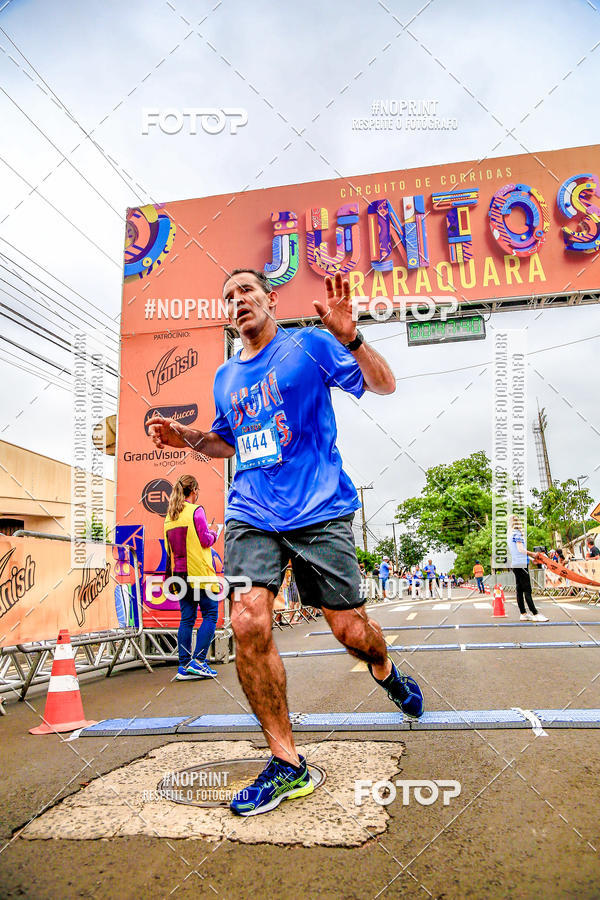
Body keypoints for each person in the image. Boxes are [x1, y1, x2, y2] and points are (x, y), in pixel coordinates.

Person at [147, 269, 424, 817]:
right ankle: (286, 762)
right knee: (247, 621)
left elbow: (385, 385)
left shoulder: (310, 344)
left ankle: (386, 669)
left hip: (320, 510)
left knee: (351, 632)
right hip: (253, 512)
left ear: (269, 298)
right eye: (228, 296)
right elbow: (226, 442)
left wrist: (353, 338)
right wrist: (189, 437)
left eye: (246, 290)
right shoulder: (225, 377)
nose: (237, 301)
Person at [163, 474, 220, 680]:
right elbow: (205, 540)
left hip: (179, 575)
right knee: (210, 615)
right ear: (194, 490)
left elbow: (169, 550)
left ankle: (184, 666)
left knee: (187, 619)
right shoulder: (197, 511)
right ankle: (199, 661)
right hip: (198, 573)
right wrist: (214, 532)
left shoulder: (170, 516)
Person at [509, 517, 548, 622]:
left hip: (515, 564)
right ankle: (535, 613)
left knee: (519, 590)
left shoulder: (510, 535)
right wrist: (533, 554)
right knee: (527, 589)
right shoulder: (517, 534)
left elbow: (517, 552)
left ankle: (523, 613)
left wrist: (531, 559)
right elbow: (521, 550)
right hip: (521, 565)